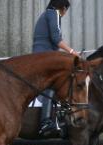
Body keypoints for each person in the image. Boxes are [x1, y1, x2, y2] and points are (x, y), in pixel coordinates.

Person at [32, 0, 80, 136]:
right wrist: (72, 52)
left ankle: (57, 118)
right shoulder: (54, 13)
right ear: (63, 8)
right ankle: (46, 121)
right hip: (44, 57)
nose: (65, 14)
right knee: (54, 83)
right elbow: (56, 39)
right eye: (66, 10)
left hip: (44, 55)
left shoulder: (48, 14)